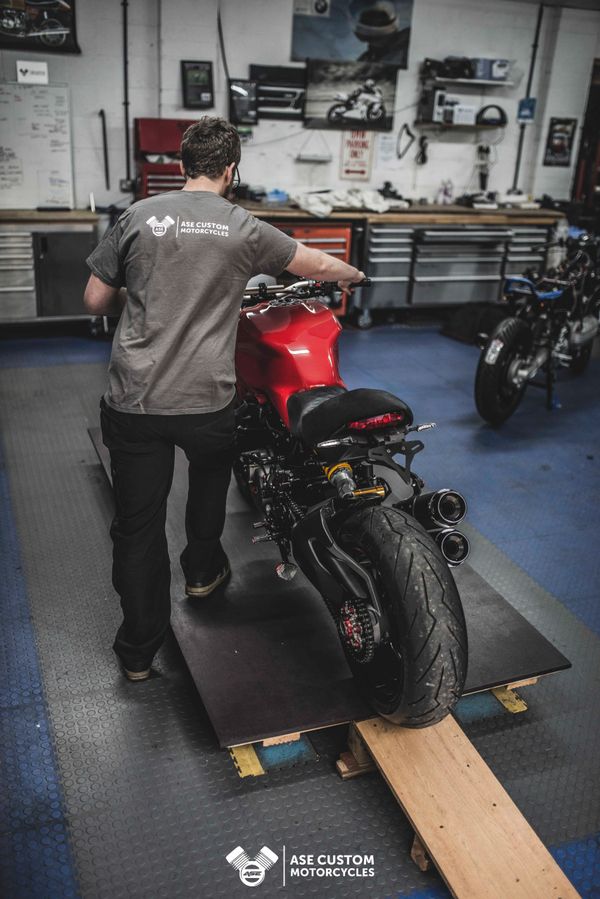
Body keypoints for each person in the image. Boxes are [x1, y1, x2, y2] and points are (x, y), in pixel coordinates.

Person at [84, 116, 365, 682]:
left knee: (137, 527)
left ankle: (138, 652)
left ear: (182, 165)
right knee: (209, 485)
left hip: (135, 400)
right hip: (207, 399)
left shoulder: (138, 216)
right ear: (232, 169)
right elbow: (311, 262)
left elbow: (95, 299)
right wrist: (350, 272)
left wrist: (143, 304)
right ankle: (202, 573)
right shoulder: (243, 226)